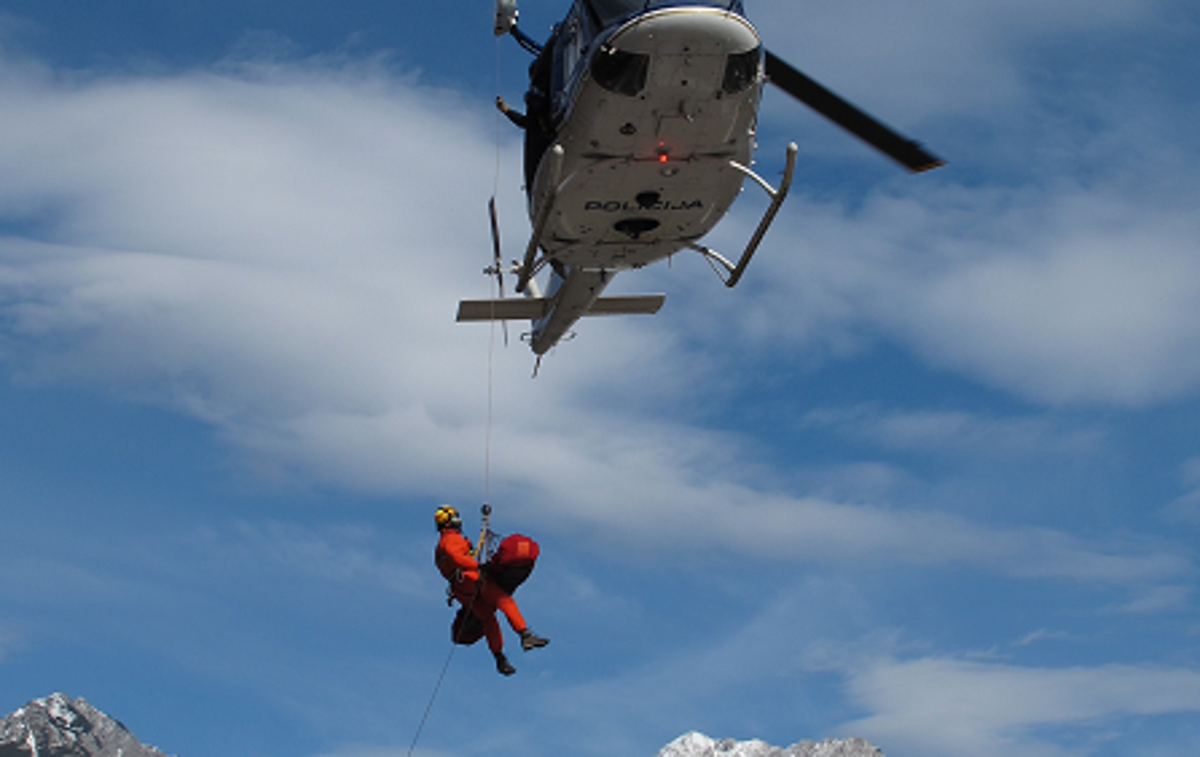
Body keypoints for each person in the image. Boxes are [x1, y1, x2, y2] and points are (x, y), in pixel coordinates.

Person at [434, 505, 548, 676]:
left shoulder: (439, 547)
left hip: (461, 590)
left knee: (488, 619)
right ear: (453, 521)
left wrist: (471, 553)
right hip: (471, 580)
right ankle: (525, 635)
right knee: (504, 601)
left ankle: (499, 658)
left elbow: (452, 560)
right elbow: (457, 556)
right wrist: (477, 565)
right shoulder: (451, 540)